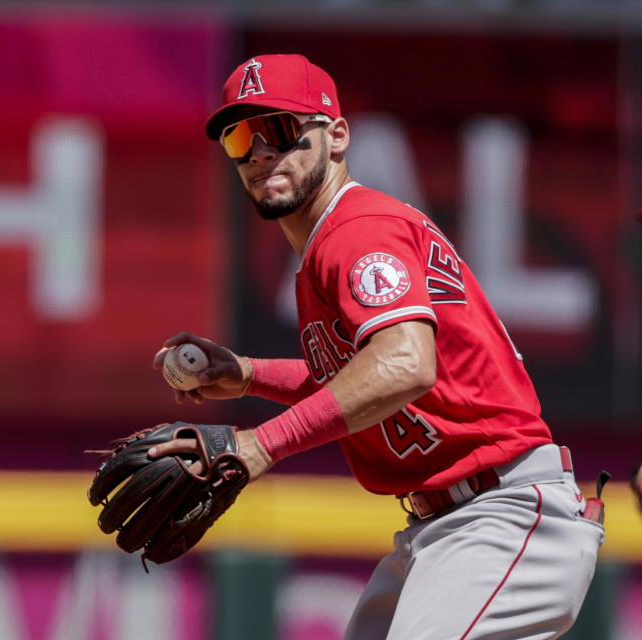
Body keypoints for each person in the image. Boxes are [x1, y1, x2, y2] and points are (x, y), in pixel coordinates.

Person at [149, 54, 604, 639]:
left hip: (500, 515)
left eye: (283, 129)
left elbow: (404, 367)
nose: (261, 151)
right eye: (241, 136)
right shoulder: (331, 244)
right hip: (449, 527)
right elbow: (369, 385)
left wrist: (261, 446)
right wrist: (246, 373)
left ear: (336, 135)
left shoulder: (355, 233)